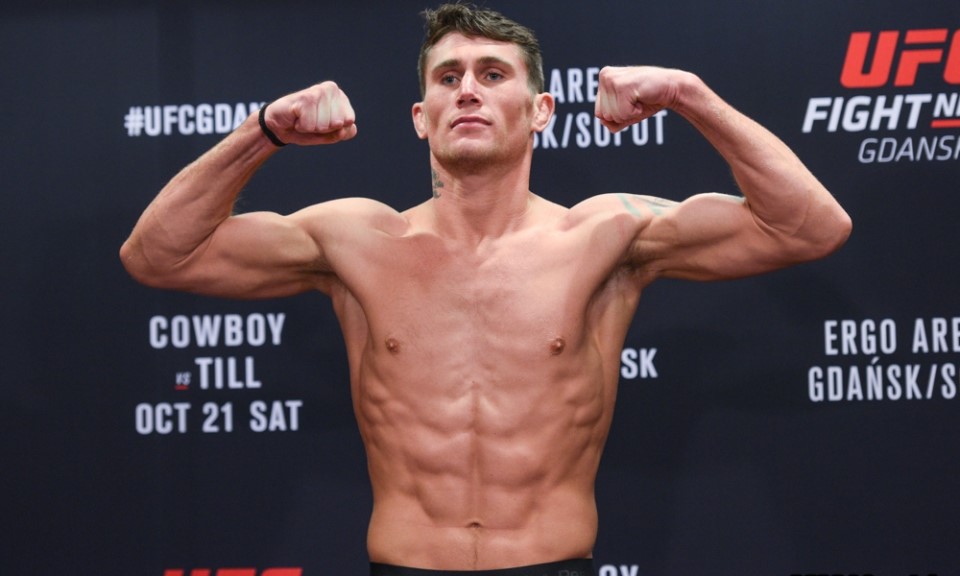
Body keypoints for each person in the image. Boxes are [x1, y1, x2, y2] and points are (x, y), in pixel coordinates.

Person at [120, 3, 851, 575]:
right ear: (421, 119)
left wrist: (689, 95)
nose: (467, 90)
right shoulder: (356, 241)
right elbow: (157, 256)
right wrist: (263, 133)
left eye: (493, 74)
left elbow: (809, 228)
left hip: (552, 565)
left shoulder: (606, 235)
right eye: (447, 78)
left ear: (541, 111)